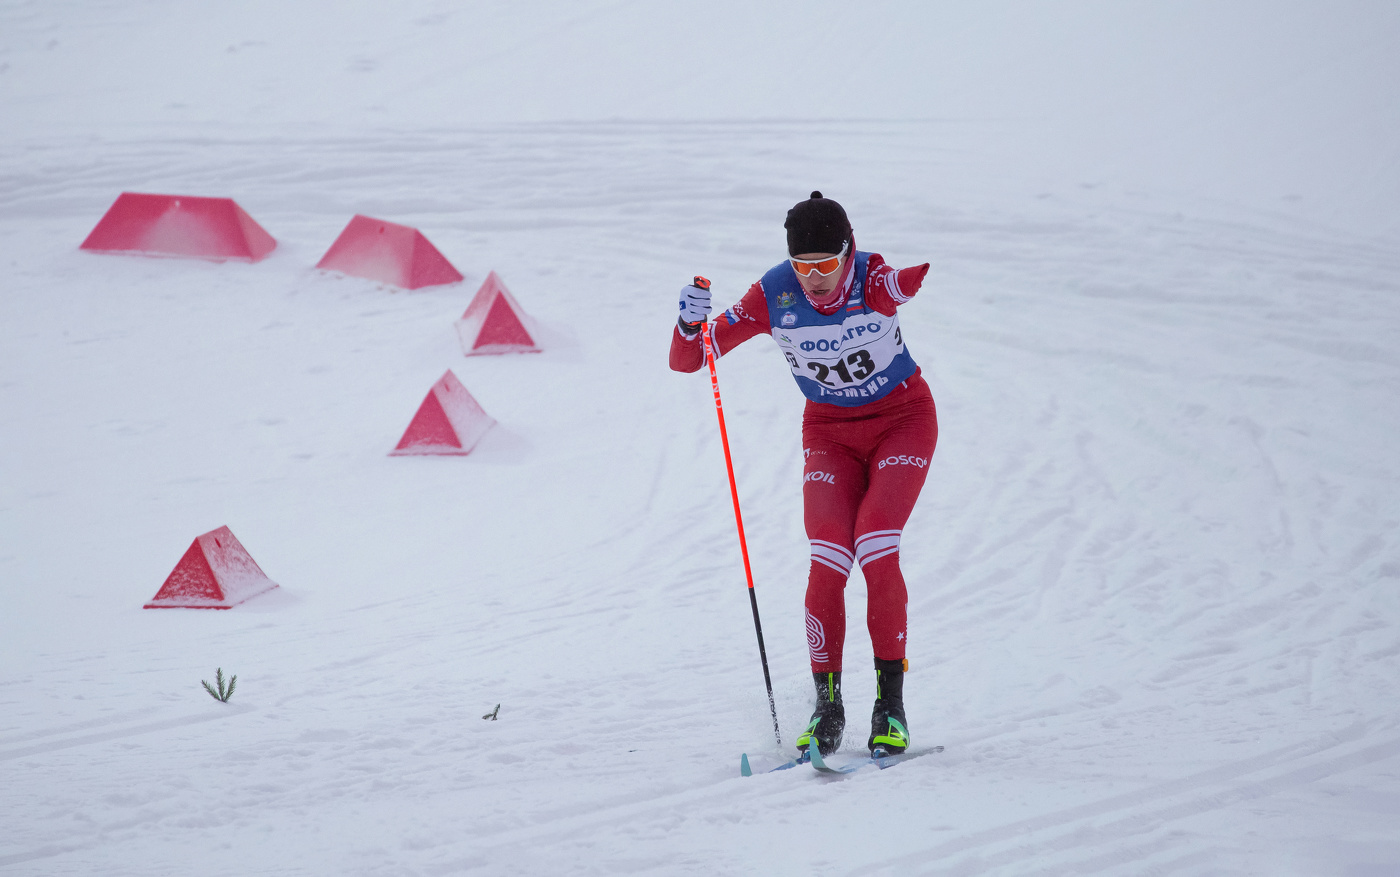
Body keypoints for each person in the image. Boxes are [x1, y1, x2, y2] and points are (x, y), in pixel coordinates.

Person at [669, 191, 937, 757]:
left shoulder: (870, 276)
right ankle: (828, 708)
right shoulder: (774, 294)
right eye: (803, 267)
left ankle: (891, 707)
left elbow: (893, 288)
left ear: (849, 252)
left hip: (901, 422)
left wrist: (901, 287)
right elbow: (692, 359)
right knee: (828, 557)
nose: (815, 280)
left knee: (876, 543)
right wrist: (688, 325)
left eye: (826, 265)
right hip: (830, 436)